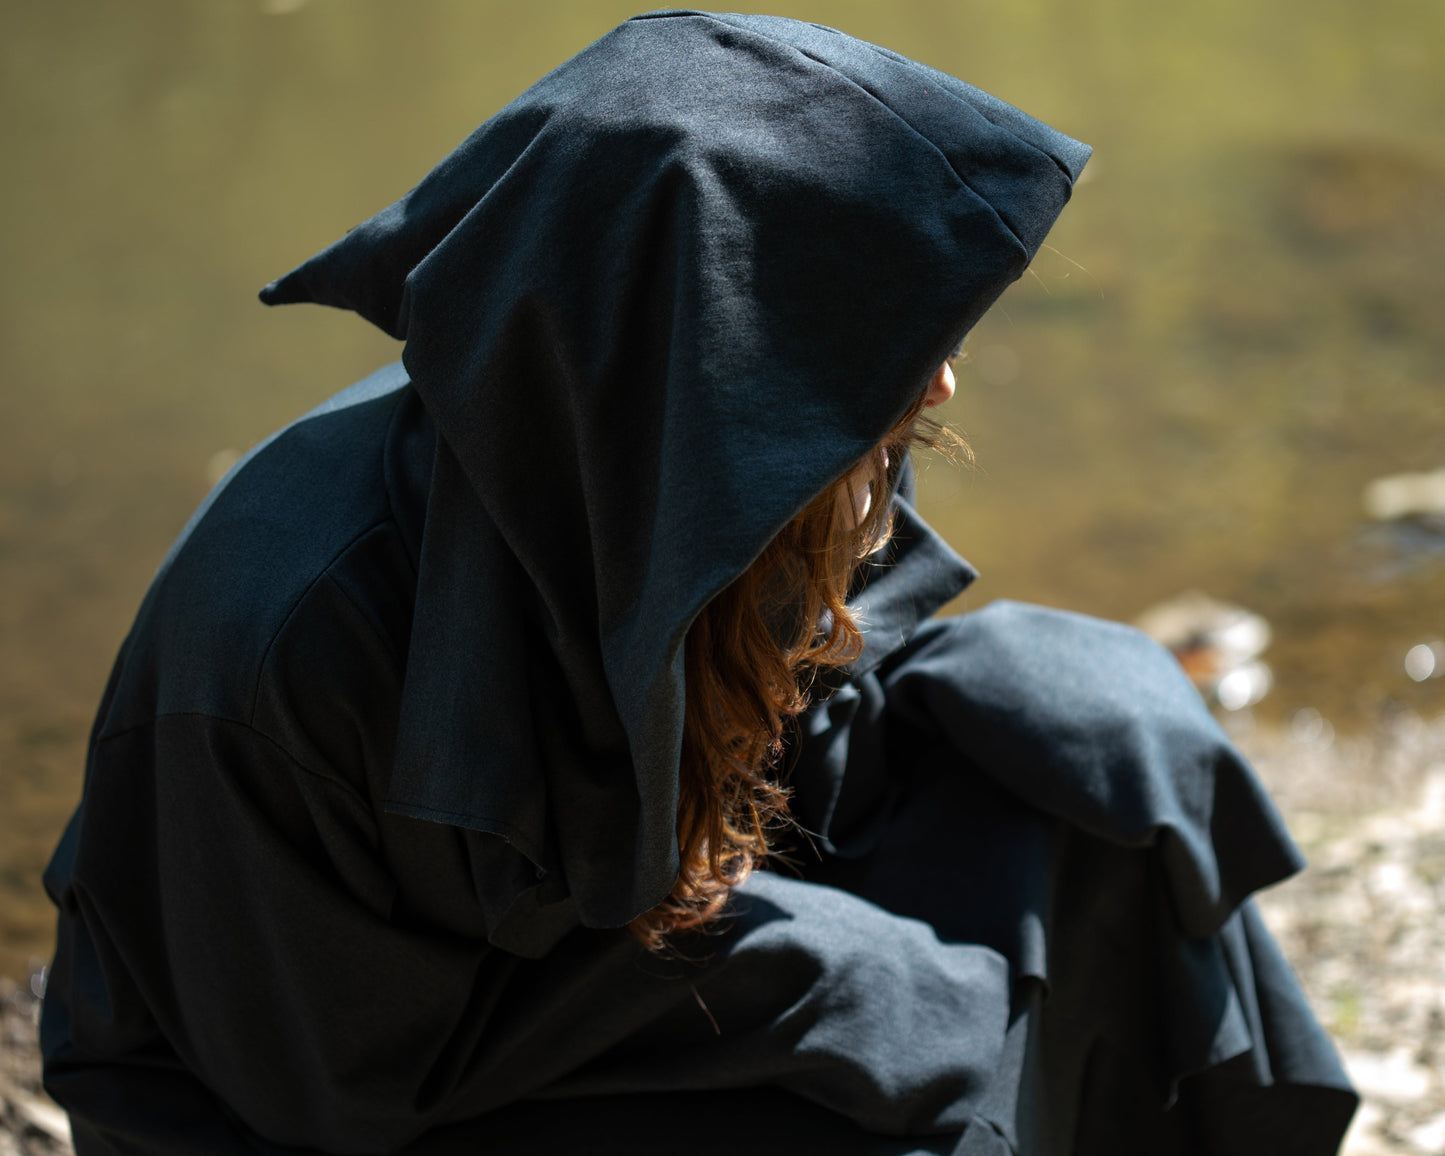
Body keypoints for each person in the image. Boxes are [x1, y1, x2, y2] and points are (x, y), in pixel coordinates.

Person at [38, 11, 1357, 1155]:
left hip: (612, 940)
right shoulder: (295, 640)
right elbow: (321, 1077)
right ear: (713, 331)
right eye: (872, 335)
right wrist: (827, 983)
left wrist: (999, 709)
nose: (940, 378)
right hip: (357, 1093)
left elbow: (822, 703)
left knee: (1103, 759)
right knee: (922, 1080)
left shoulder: (704, 443)